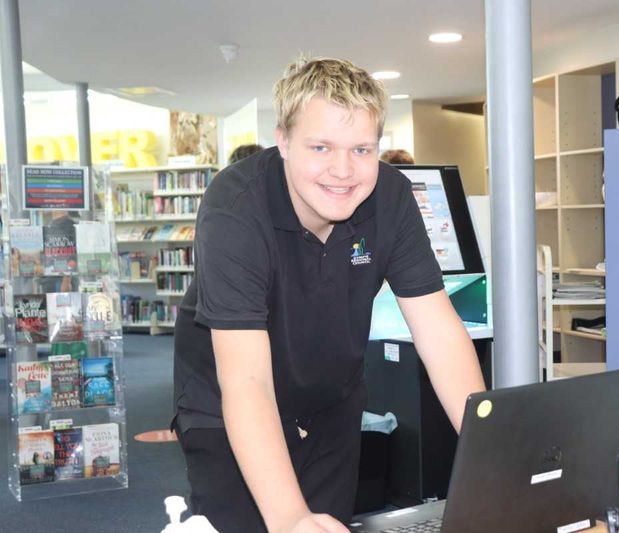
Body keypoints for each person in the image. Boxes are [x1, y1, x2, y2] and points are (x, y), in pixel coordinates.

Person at [172, 56, 486, 533]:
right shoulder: (235, 208)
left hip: (331, 398)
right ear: (283, 139)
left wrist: (492, 450)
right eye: (321, 146)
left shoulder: (392, 200)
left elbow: (440, 333)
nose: (343, 171)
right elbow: (247, 382)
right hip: (228, 399)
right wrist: (290, 517)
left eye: (362, 150)